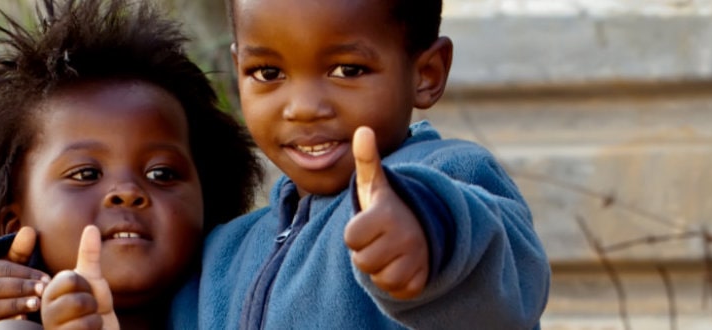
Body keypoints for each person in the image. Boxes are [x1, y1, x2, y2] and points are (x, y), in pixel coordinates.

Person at [196, 0, 551, 328]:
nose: (302, 107)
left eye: (347, 70)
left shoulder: (443, 177)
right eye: (268, 72)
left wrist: (428, 234)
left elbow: (513, 276)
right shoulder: (226, 253)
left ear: (426, 73)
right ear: (238, 68)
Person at [0, 0, 261, 328]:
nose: (128, 192)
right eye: (86, 174)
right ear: (16, 227)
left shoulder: (240, 293)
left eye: (161, 173)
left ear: (206, 200)